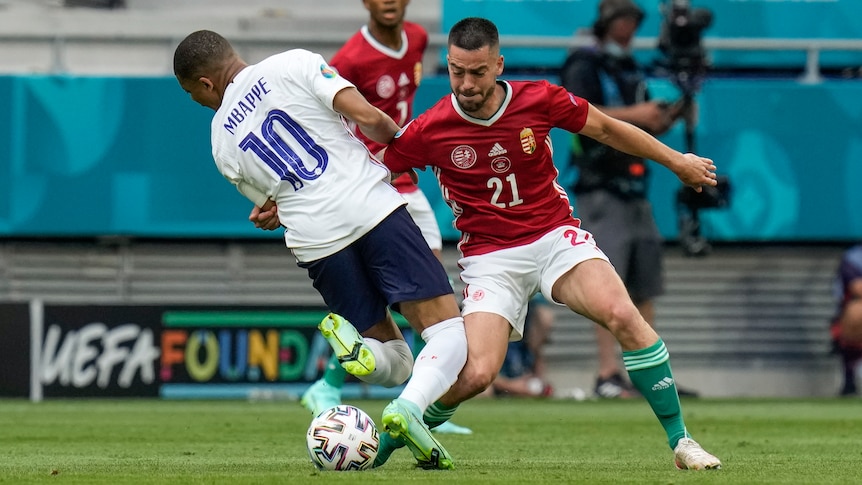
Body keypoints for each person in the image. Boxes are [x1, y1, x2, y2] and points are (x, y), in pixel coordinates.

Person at [378, 17, 721, 470]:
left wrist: (677, 161)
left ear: (498, 65)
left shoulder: (539, 98)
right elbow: (372, 170)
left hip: (554, 237)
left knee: (624, 315)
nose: (466, 83)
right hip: (489, 259)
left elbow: (605, 128)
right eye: (457, 71)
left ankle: (682, 441)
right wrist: (286, 202)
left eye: (477, 72)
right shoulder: (431, 128)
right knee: (478, 374)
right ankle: (386, 444)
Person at [173, 29, 466, 470]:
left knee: (397, 360)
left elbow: (269, 204)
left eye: (190, 92)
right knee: (448, 334)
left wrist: (271, 211)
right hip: (372, 209)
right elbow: (366, 116)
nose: (195, 101)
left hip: (316, 243)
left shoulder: (220, 141)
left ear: (205, 84)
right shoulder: (293, 63)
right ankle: (409, 409)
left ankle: (366, 355)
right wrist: (402, 142)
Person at [297, 0, 471, 435]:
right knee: (410, 293)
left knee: (427, 289)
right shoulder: (349, 59)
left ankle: (416, 395)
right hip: (369, 187)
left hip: (404, 179)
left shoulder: (417, 39)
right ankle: (333, 386)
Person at [558, 0, 699, 400]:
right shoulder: (583, 62)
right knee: (607, 284)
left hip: (635, 186)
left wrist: (673, 113)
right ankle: (607, 376)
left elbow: (640, 122)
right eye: (621, 20)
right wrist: (640, 113)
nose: (628, 27)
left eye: (633, 20)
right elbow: (577, 113)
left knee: (643, 283)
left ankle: (651, 376)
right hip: (599, 186)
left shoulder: (629, 65)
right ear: (605, 23)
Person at [830, 244, 862, 396]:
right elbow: (857, 288)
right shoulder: (853, 258)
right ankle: (850, 379)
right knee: (858, 309)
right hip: (849, 315)